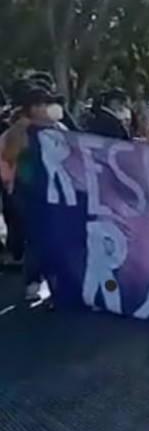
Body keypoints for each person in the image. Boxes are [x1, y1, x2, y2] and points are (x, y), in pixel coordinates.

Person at [0, 86, 64, 300]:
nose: (46, 108)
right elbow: (9, 155)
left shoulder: (59, 129)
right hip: (28, 192)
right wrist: (20, 132)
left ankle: (55, 283)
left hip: (56, 192)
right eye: (41, 104)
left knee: (56, 237)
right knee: (36, 238)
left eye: (48, 103)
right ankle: (33, 281)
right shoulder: (20, 130)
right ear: (32, 108)